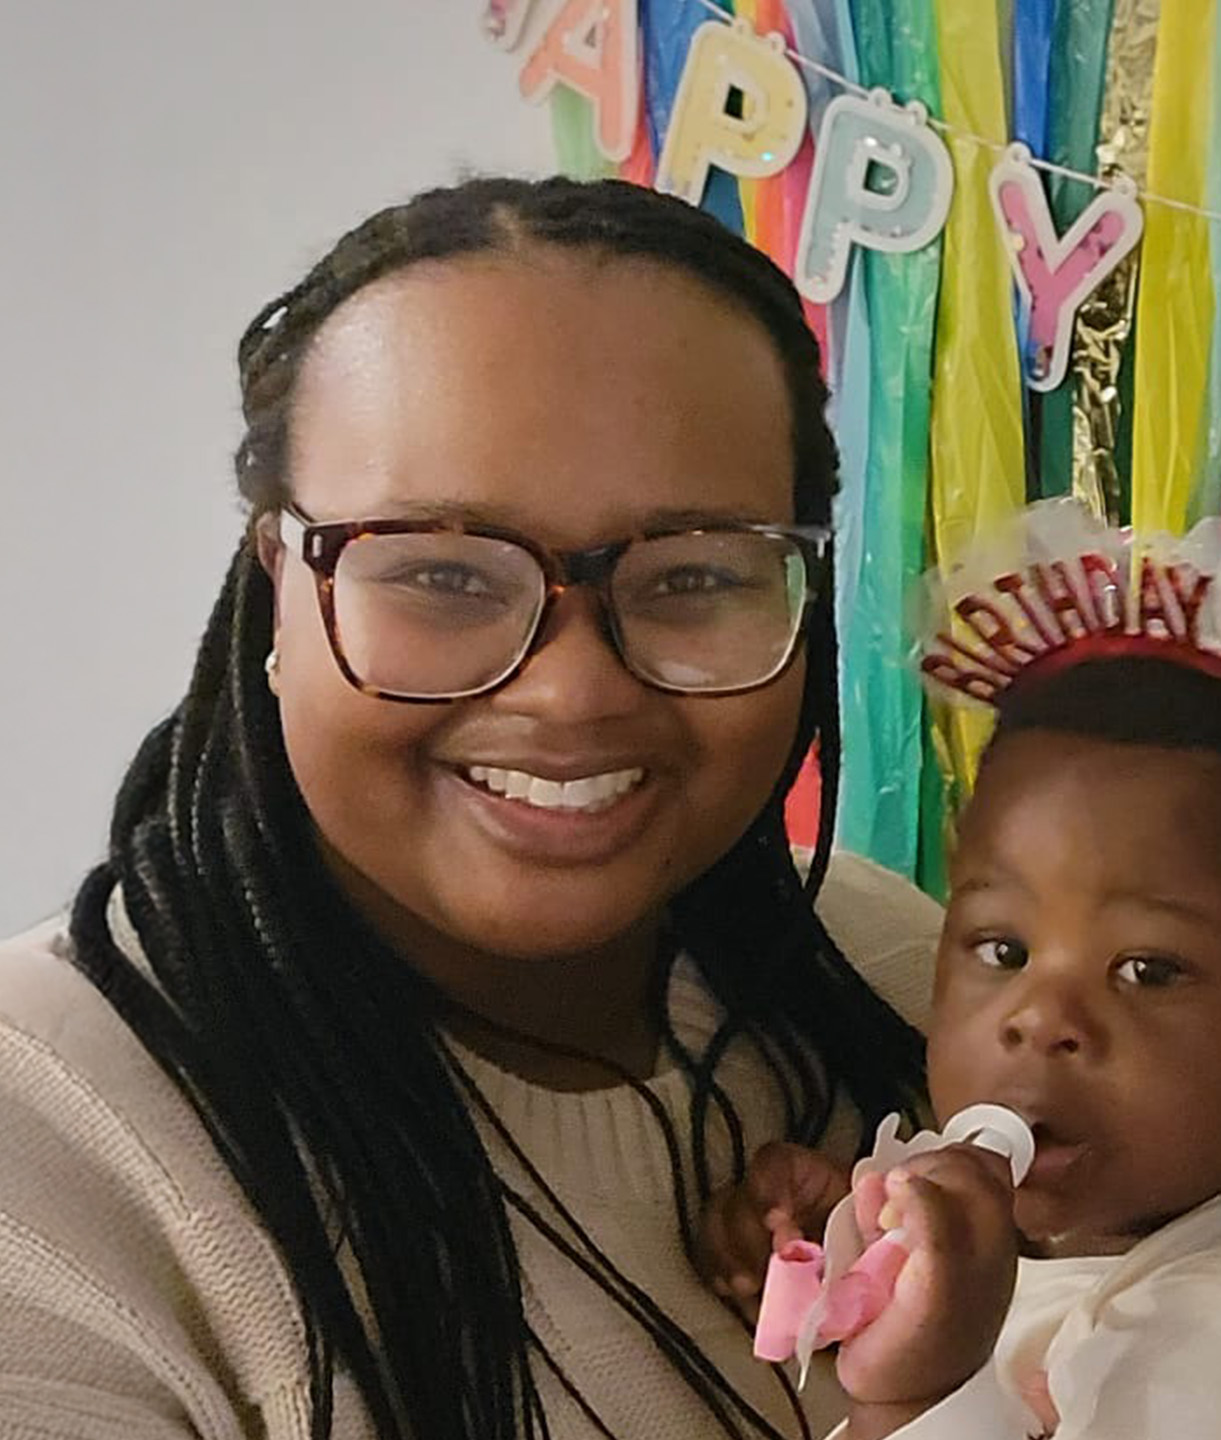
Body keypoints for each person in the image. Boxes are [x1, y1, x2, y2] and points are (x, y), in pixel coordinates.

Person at [0, 177, 947, 1440]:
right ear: (277, 586)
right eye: (443, 574)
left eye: (692, 576)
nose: (572, 692)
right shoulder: (46, 1142)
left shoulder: (907, 977)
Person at [696, 504, 1221, 1439]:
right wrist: (864, 1230)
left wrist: (924, 1389)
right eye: (1003, 950)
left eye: (1148, 970)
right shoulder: (1158, 1184)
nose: (1041, 1016)